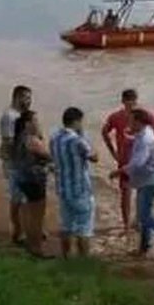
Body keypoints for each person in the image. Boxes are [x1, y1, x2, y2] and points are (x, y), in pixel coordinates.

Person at [102, 89, 154, 235]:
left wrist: (151, 148)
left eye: (133, 101)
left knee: (143, 191)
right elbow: (104, 132)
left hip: (140, 162)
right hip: (124, 160)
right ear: (123, 102)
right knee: (125, 193)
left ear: (137, 101)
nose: (131, 105)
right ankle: (127, 224)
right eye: (128, 102)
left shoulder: (143, 116)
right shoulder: (116, 117)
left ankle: (140, 221)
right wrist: (113, 152)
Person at [122, 108, 154, 255]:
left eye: (131, 121)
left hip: (150, 181)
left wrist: (121, 171)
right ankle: (144, 246)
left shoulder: (145, 138)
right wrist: (130, 138)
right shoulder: (144, 133)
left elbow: (138, 163)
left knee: (144, 216)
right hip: (148, 179)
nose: (129, 123)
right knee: (144, 214)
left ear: (139, 122)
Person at [50, 107, 99, 258]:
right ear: (76, 121)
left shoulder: (54, 138)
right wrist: (86, 138)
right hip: (80, 190)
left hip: (63, 188)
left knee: (66, 226)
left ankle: (66, 256)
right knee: (84, 228)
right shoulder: (77, 141)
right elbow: (94, 157)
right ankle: (83, 260)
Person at [11, 110, 51, 258]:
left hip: (23, 178)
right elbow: (49, 155)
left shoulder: (20, 138)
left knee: (28, 212)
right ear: (28, 124)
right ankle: (36, 248)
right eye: (35, 121)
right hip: (34, 180)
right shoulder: (33, 140)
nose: (38, 123)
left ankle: (31, 244)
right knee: (37, 216)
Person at [0, 85, 32, 245]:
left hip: (23, 162)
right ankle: (17, 231)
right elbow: (8, 141)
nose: (29, 101)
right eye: (26, 97)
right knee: (17, 199)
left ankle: (27, 228)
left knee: (25, 198)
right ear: (17, 97)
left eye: (30, 98)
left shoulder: (21, 115)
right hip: (15, 163)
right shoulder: (9, 117)